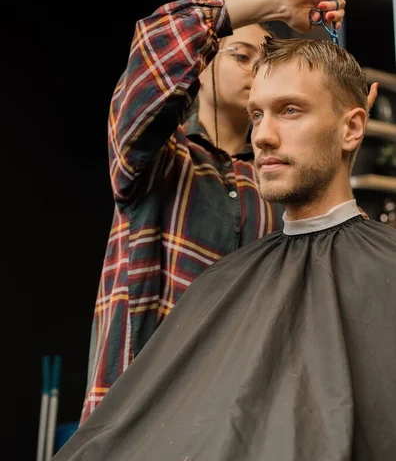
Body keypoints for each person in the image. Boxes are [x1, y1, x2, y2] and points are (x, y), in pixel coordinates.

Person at [55, 37, 395, 460]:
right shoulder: (222, 281)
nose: (264, 136)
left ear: (352, 127)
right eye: (257, 114)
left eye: (289, 110)